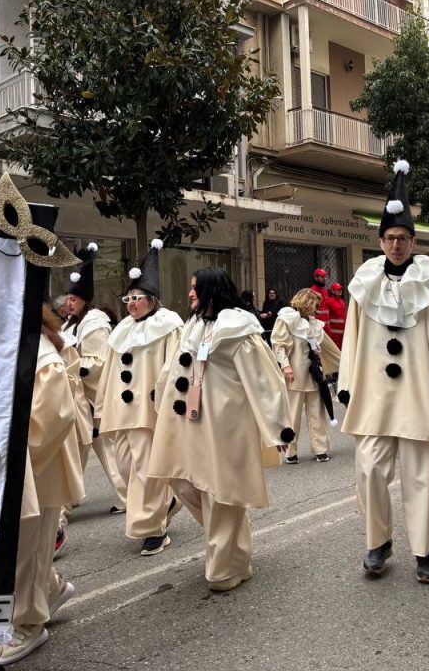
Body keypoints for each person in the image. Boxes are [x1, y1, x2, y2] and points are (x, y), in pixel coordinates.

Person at [336, 160, 429, 583]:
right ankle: (377, 541)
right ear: (380, 241)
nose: (395, 245)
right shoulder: (363, 283)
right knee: (370, 469)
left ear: (413, 241)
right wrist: (347, 387)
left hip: (420, 397)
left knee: (422, 476)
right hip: (374, 396)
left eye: (403, 238)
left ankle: (423, 550)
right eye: (389, 238)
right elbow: (352, 341)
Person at [149, 267, 293, 591]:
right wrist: (159, 393)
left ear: (213, 291)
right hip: (189, 425)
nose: (189, 294)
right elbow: (173, 366)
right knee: (184, 485)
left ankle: (223, 570)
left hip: (226, 427)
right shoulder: (193, 325)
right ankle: (234, 545)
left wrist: (279, 427)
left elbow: (264, 381)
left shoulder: (239, 330)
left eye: (195, 288)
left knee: (222, 493)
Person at [0, 307, 84, 665]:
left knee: (25, 544)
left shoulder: (41, 355)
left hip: (35, 463)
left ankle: (28, 623)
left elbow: (52, 417)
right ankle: (50, 587)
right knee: (21, 546)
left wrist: (8, 452)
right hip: (10, 459)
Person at [96, 240, 184, 555]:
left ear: (152, 300)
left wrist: (166, 400)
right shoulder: (121, 329)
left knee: (146, 468)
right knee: (122, 466)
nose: (131, 303)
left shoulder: (169, 325)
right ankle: (167, 501)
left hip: (149, 410)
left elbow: (175, 364)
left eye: (137, 298)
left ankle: (152, 529)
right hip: (121, 411)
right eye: (128, 298)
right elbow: (108, 370)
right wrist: (102, 405)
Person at [62, 244, 128, 517]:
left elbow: (97, 363)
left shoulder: (94, 324)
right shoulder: (70, 324)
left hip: (93, 399)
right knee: (74, 451)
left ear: (85, 301)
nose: (69, 304)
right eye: (68, 300)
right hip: (76, 398)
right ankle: (66, 500)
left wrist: (72, 366)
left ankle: (128, 496)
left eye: (73, 301)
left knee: (107, 451)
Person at [271, 288, 340, 464]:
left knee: (317, 413)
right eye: (315, 304)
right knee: (292, 415)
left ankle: (321, 449)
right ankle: (290, 452)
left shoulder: (313, 323)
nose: (316, 308)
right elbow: (278, 344)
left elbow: (330, 349)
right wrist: (285, 366)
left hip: (314, 374)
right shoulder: (287, 318)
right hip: (293, 374)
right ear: (307, 302)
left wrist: (346, 366)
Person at [325, 283, 347, 348]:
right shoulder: (330, 302)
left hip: (342, 331)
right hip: (334, 332)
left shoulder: (342, 301)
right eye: (337, 289)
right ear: (333, 291)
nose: (340, 291)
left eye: (340, 289)